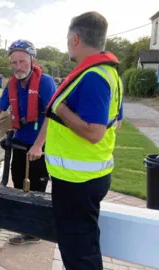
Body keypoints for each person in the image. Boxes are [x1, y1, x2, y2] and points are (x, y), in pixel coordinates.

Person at [28, 11, 124, 269]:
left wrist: (60, 109)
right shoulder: (109, 73)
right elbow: (118, 122)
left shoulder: (92, 77)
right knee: (82, 245)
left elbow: (95, 133)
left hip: (78, 182)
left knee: (79, 254)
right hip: (86, 177)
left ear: (74, 39)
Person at [0, 39, 57, 245]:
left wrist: (39, 145)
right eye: (14, 63)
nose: (18, 67)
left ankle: (34, 232)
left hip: (40, 146)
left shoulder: (46, 82)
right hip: (19, 143)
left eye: (22, 61)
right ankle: (24, 225)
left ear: (32, 60)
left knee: (37, 191)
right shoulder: (12, 84)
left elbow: (51, 115)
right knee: (19, 184)